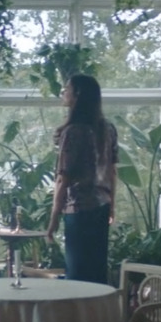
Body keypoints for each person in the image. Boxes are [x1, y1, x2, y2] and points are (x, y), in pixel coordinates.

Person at [45, 75, 118, 284]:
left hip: (79, 209)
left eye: (66, 89)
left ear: (77, 95)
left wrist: (53, 219)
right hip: (101, 207)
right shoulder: (108, 129)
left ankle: (75, 316)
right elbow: (112, 172)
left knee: (77, 274)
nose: (63, 92)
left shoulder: (73, 132)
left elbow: (63, 178)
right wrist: (112, 206)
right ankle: (96, 316)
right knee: (96, 273)